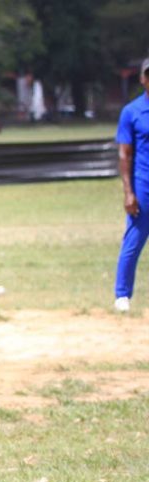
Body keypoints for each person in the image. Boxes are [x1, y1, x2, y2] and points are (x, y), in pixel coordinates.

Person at [114, 57, 149, 313]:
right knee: (133, 240)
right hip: (144, 185)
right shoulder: (132, 111)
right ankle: (122, 295)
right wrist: (129, 193)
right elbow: (124, 154)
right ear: (142, 78)